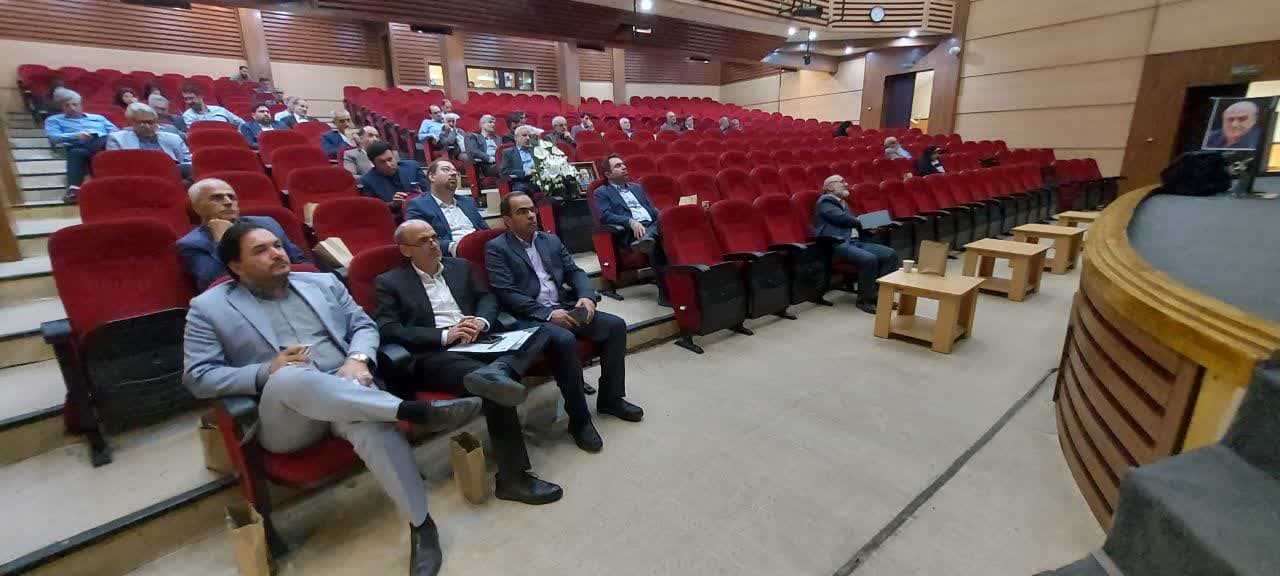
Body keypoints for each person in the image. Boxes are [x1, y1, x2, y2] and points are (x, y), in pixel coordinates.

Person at [183, 221, 482, 576]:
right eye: (261, 251)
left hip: (347, 390)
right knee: (290, 375)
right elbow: (198, 377)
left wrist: (358, 359)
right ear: (235, 266)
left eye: (277, 245)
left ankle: (422, 526)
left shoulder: (322, 283)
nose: (277, 253)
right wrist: (266, 370)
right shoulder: (209, 307)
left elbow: (364, 326)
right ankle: (409, 410)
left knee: (374, 428)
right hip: (288, 419)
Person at [373, 220, 566, 503]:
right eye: (423, 241)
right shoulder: (390, 282)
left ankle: (499, 369)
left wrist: (481, 321)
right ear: (405, 250)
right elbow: (389, 329)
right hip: (436, 354)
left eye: (434, 237)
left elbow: (487, 298)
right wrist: (444, 335)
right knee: (493, 387)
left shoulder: (460, 267)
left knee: (542, 331)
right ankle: (512, 479)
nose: (433, 244)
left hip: (480, 341)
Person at [485, 192, 645, 424]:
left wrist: (586, 297)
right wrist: (548, 314)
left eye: (532, 209)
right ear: (507, 220)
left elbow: (575, 272)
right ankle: (579, 419)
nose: (531, 215)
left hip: (564, 305)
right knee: (565, 340)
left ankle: (611, 399)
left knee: (615, 326)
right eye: (522, 212)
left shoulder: (550, 240)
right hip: (532, 318)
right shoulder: (497, 248)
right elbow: (507, 293)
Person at [178, 178, 308, 290]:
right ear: (197, 207)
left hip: (293, 287)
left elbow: (300, 262)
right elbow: (220, 284)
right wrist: (223, 241)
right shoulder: (192, 244)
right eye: (217, 198)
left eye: (232, 197)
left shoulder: (267, 223)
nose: (228, 202)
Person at [813, 175, 899, 314]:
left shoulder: (843, 203)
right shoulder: (825, 201)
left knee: (890, 254)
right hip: (839, 243)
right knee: (869, 259)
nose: (846, 184)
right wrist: (868, 221)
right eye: (842, 182)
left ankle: (881, 296)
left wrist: (869, 229)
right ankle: (865, 300)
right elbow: (842, 219)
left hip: (856, 242)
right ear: (830, 187)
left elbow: (852, 223)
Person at [593, 155, 668, 304]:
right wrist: (630, 221)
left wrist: (666, 216)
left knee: (667, 230)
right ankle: (666, 295)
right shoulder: (601, 192)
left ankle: (648, 237)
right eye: (618, 166)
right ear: (607, 174)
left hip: (651, 226)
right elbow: (606, 216)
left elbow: (651, 209)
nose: (624, 167)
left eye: (623, 164)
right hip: (632, 233)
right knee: (656, 244)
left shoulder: (637, 188)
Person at [43, 88, 117, 204]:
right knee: (77, 152)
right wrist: (76, 136)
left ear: (81, 105)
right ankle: (74, 191)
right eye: (67, 105)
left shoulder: (98, 118)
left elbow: (116, 132)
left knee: (105, 139)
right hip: (78, 145)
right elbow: (54, 137)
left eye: (75, 104)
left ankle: (75, 188)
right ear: (61, 107)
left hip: (104, 145)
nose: (72, 108)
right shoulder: (54, 120)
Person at [404, 160, 487, 256]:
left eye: (455, 171)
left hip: (481, 248)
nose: (453, 173)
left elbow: (484, 228)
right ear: (432, 177)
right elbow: (419, 238)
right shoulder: (418, 205)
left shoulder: (467, 202)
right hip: (451, 254)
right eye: (446, 169)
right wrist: (451, 247)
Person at [106, 103, 192, 179]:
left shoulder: (173, 138)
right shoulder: (117, 139)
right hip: (136, 177)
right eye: (142, 123)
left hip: (171, 176)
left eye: (150, 122)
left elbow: (188, 161)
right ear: (131, 123)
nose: (147, 126)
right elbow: (116, 168)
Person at [359, 141, 426, 214]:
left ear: (394, 156)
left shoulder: (412, 167)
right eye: (382, 162)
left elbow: (428, 190)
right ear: (373, 163)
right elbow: (372, 209)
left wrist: (421, 195)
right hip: (395, 216)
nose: (388, 165)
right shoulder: (367, 181)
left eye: (390, 159)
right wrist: (392, 204)